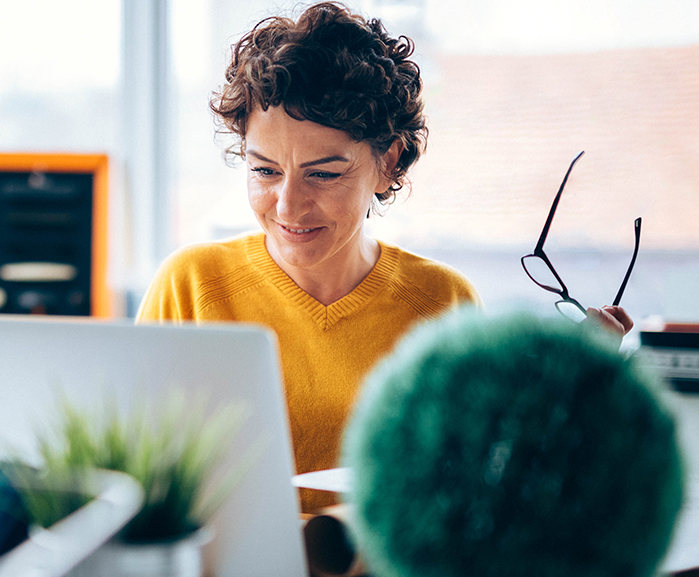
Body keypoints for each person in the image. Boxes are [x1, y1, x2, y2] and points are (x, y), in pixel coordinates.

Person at [136, 2, 631, 512]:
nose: (288, 205)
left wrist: (574, 383)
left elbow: (481, 485)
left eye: (323, 174)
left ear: (388, 162)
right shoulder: (191, 286)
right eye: (264, 171)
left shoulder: (442, 303)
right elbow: (134, 476)